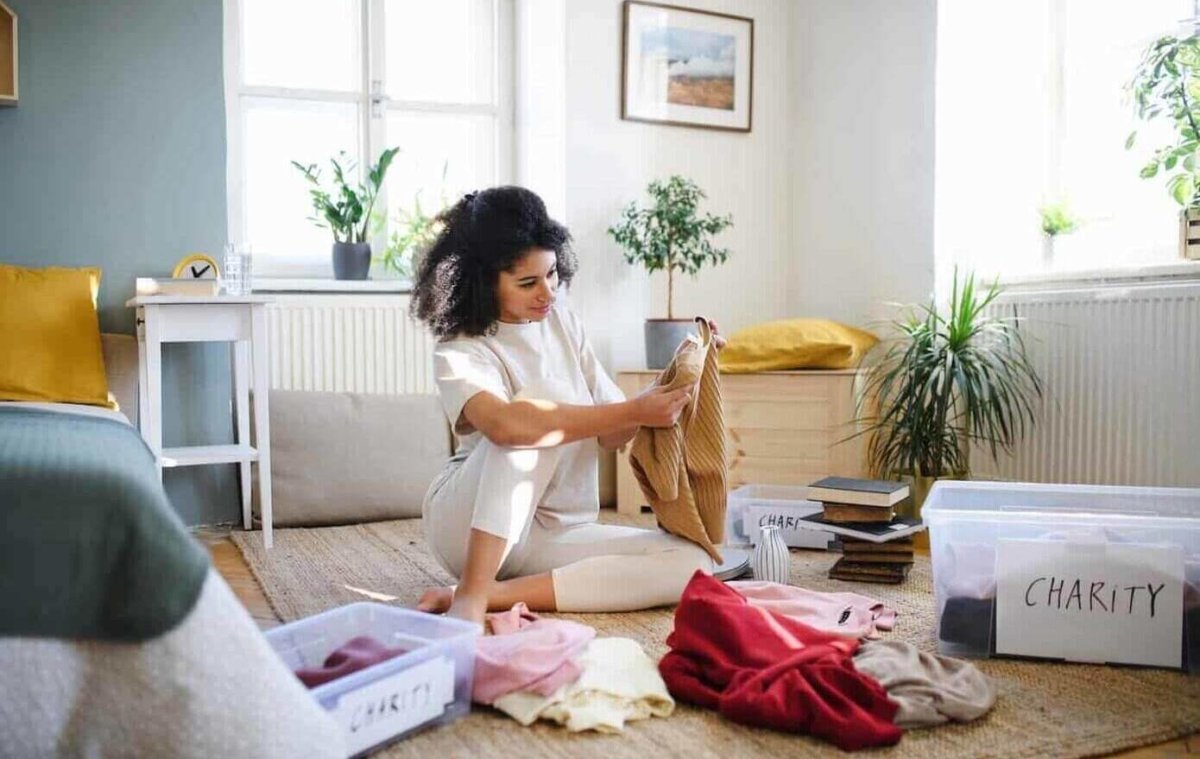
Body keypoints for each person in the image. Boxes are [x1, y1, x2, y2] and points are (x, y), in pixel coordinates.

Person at [409, 185, 721, 627]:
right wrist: (634, 410)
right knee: (539, 408)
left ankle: (494, 594)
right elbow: (506, 427)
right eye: (528, 282)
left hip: (556, 530)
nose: (548, 293)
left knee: (694, 563)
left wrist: (678, 377)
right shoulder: (459, 348)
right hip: (469, 529)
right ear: (483, 282)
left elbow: (614, 430)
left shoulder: (562, 321)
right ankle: (472, 594)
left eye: (552, 274)